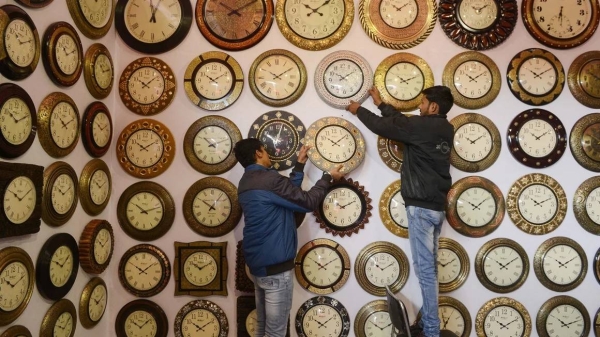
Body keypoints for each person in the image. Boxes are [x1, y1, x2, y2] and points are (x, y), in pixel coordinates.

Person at [346, 86, 454, 337]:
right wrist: (381, 104)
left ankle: (432, 330)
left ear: (434, 107)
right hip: (436, 208)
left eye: (424, 103)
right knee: (431, 270)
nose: (420, 106)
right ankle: (430, 323)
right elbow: (401, 122)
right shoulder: (445, 129)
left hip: (421, 209)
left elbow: (384, 127)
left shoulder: (420, 127)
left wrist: (358, 109)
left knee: (425, 271)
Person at [233, 138, 344, 337]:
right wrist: (327, 178)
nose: (268, 155)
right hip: (275, 269)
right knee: (275, 333)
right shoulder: (270, 181)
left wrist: (299, 164)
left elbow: (285, 195)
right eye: (265, 151)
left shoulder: (246, 182)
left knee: (262, 328)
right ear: (258, 153)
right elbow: (307, 202)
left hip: (258, 266)